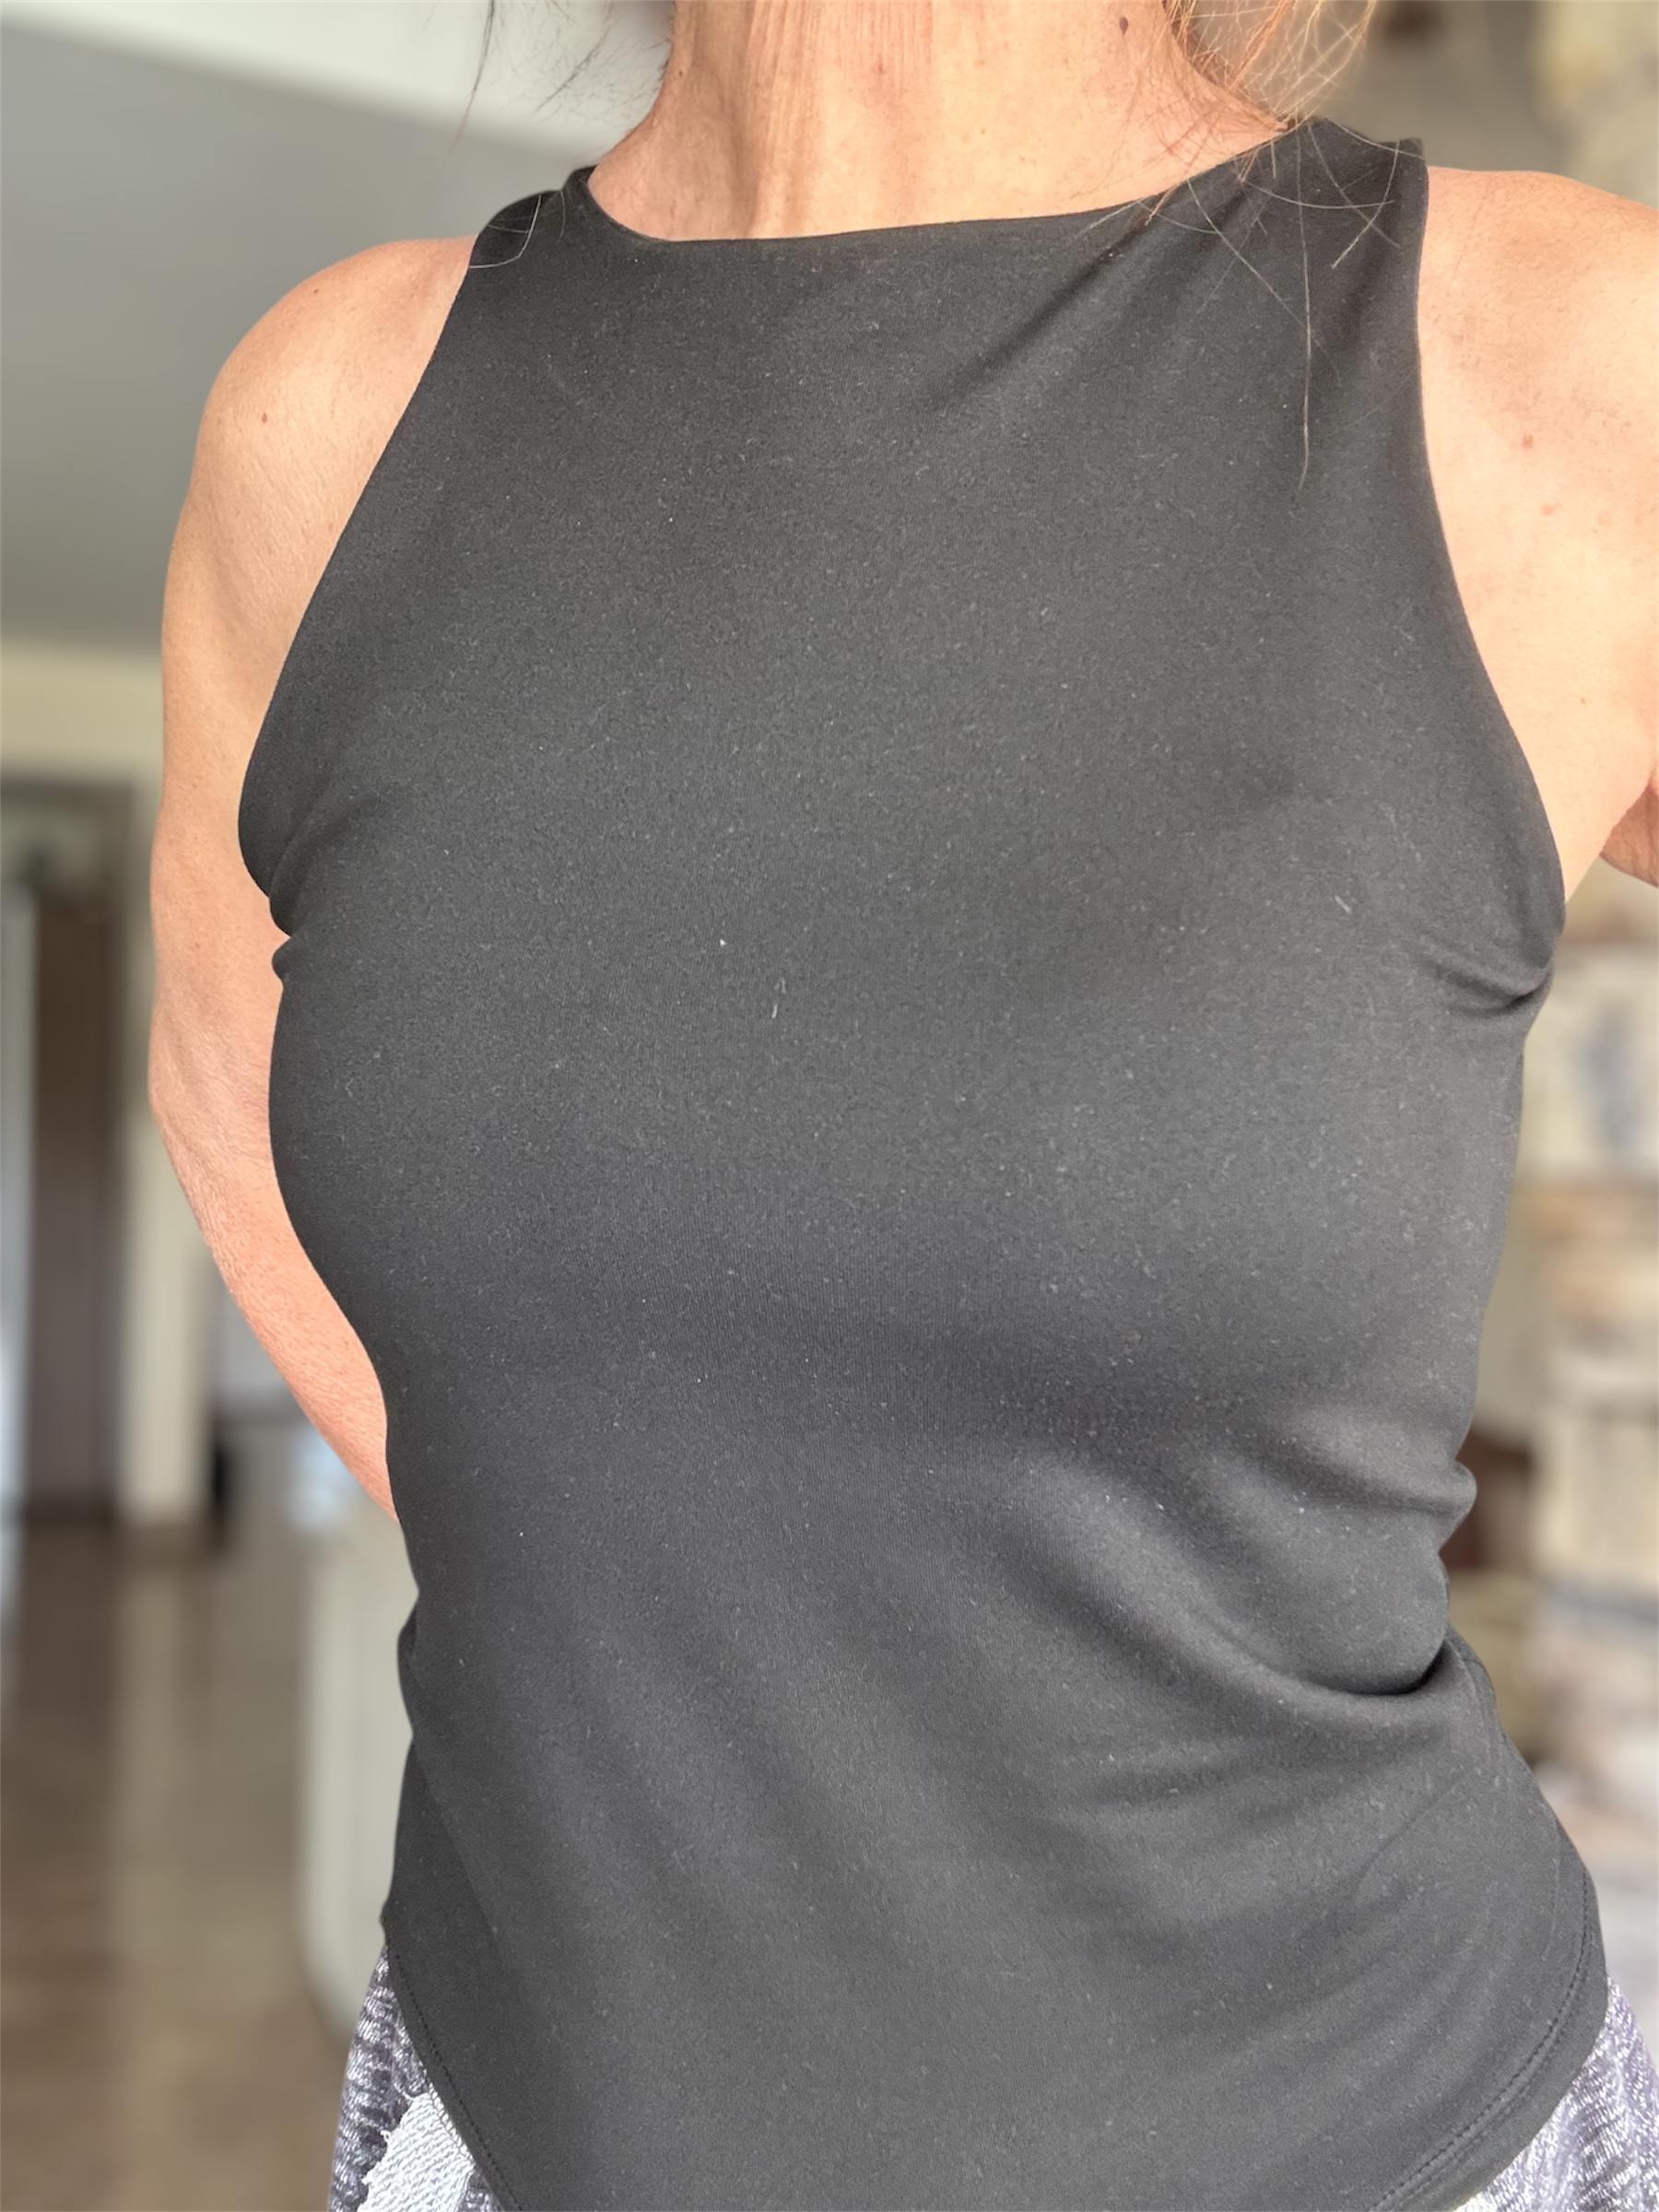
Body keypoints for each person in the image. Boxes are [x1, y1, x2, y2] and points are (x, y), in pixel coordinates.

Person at [153, 2, 1658, 2206]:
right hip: (528, 2122)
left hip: (1378, 2142)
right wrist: (692, 1575)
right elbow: (226, 1082)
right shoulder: (333, 415)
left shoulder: (1569, 371)